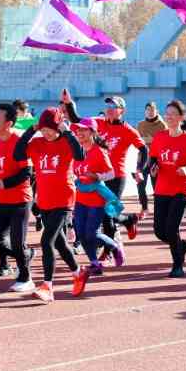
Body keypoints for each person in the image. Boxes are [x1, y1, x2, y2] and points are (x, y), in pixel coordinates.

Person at [16, 107, 89, 302]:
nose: (46, 133)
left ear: (58, 127)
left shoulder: (66, 141)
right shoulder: (37, 143)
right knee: (59, 242)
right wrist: (30, 131)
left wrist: (67, 132)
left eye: (50, 129)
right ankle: (78, 272)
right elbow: (18, 154)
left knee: (46, 241)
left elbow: (80, 156)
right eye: (43, 129)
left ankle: (47, 286)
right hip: (45, 200)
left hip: (64, 200)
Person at [60, 91, 143, 241]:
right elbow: (76, 119)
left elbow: (144, 150)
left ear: (122, 111)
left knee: (107, 214)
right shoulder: (98, 122)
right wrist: (68, 103)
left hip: (115, 176)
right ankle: (127, 220)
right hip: (96, 176)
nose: (109, 109)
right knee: (99, 211)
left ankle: (108, 249)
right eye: (108, 106)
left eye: (114, 106)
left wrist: (139, 169)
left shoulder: (128, 131)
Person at [0, 102, 36, 291]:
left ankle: (26, 278)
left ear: (9, 123)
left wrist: (4, 183)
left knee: (18, 243)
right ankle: (26, 255)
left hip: (19, 201)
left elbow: (26, 172)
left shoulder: (19, 141)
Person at [150, 99, 186, 277]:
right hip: (161, 188)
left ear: (181, 117)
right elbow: (154, 159)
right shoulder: (159, 137)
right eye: (167, 114)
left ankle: (178, 265)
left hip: (181, 189)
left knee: (172, 229)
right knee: (159, 231)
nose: (170, 117)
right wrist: (153, 168)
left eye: (173, 114)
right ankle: (182, 246)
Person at [70, 117, 126, 276]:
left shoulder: (99, 152)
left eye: (83, 130)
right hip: (80, 199)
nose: (79, 132)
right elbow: (75, 172)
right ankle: (94, 263)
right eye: (78, 130)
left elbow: (111, 173)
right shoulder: (78, 151)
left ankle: (114, 246)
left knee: (91, 233)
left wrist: (96, 176)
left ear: (92, 132)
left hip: (96, 200)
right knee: (81, 234)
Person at [135, 102, 167, 219]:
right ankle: (144, 208)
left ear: (156, 111)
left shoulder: (162, 125)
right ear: (145, 111)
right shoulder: (140, 125)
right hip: (142, 159)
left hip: (156, 160)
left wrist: (151, 140)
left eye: (152, 110)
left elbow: (166, 143)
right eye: (148, 110)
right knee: (140, 185)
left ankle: (159, 209)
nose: (150, 112)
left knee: (157, 187)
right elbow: (137, 142)